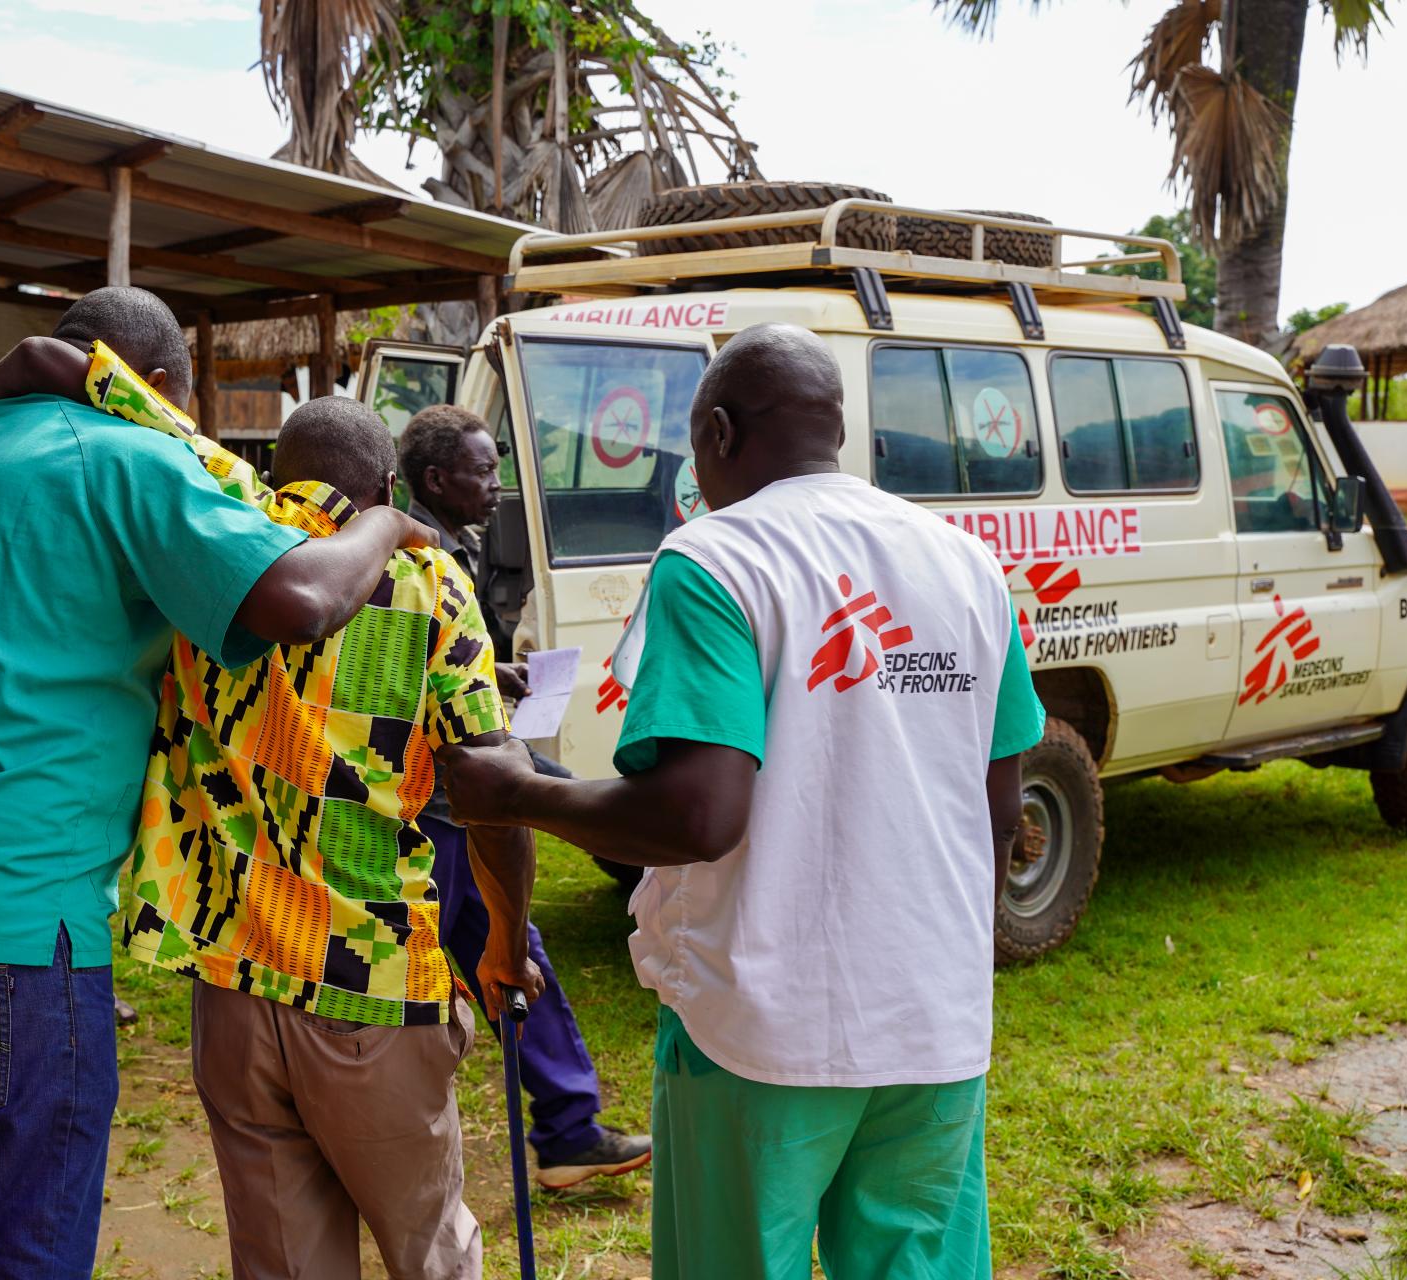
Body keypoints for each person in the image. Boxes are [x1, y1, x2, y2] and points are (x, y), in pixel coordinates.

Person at [0, 287, 438, 1280]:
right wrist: (385, 524)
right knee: (18, 1243)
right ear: (162, 388)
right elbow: (302, 598)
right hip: (6, 919)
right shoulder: (131, 457)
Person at [443, 323, 1046, 1280]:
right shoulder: (967, 563)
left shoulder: (716, 559)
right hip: (935, 1021)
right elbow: (1002, 802)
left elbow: (698, 815)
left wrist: (516, 793)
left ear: (718, 433)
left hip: (762, 1024)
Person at [115, 394, 541, 1280]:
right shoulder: (426, 581)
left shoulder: (215, 561)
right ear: (389, 488)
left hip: (232, 981)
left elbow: (134, 403)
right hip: (369, 985)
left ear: (273, 477)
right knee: (430, 1252)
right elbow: (490, 790)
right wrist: (503, 946)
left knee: (282, 1262)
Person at [398, 404, 653, 1189]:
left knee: (516, 963)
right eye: (485, 471)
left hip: (457, 807)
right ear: (438, 479)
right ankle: (388, 1138)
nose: (499, 486)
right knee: (436, 976)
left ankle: (569, 1128)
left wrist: (491, 677)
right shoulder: (415, 561)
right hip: (439, 813)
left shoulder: (452, 551)